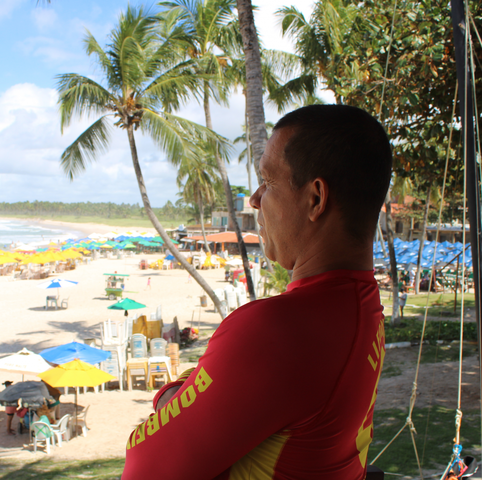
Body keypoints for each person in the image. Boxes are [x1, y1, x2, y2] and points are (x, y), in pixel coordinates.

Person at [122, 105, 392, 479]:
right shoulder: (363, 307)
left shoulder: (278, 330)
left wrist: (170, 397)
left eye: (268, 181)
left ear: (315, 199)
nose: (254, 199)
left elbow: (141, 465)